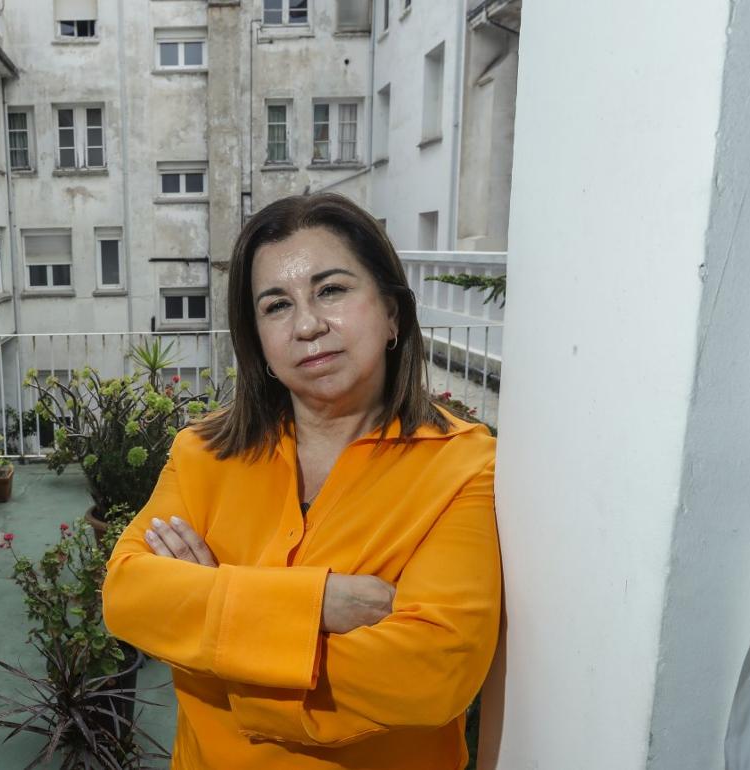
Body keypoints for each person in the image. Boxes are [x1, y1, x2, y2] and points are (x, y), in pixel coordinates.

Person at [102, 193, 500, 769]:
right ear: (258, 341)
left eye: (331, 290)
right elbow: (128, 597)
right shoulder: (203, 454)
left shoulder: (464, 467)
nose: (309, 325)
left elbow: (431, 674)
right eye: (275, 305)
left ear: (392, 312)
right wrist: (320, 605)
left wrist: (213, 618)